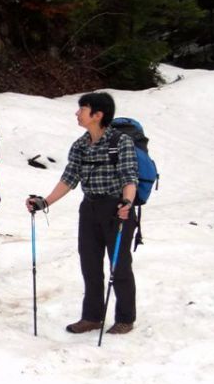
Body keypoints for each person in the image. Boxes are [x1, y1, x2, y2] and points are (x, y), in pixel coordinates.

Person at [25, 91, 138, 335]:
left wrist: (127, 203)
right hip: (90, 209)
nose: (77, 113)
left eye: (82, 109)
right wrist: (44, 202)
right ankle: (92, 317)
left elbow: (129, 177)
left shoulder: (120, 142)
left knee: (119, 265)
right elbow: (69, 179)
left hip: (117, 209)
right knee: (90, 264)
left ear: (98, 115)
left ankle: (125, 318)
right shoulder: (80, 145)